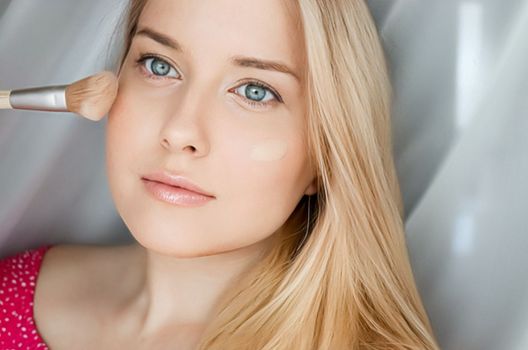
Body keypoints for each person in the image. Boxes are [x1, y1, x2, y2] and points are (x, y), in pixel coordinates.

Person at [0, 0, 441, 349]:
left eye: (254, 91)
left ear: (327, 153)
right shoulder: (13, 291)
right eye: (159, 65)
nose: (179, 131)